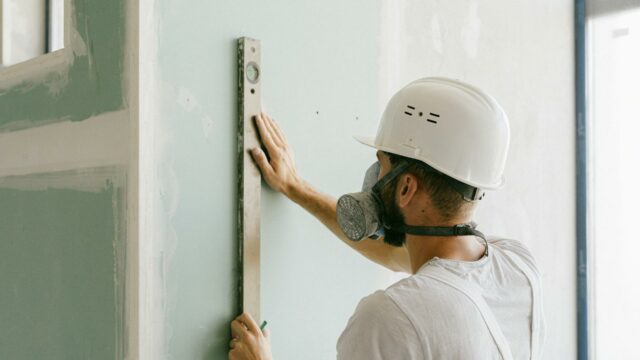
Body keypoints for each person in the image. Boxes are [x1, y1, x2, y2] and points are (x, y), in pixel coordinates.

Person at [229, 77, 544, 360]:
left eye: (381, 164)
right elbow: (396, 256)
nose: (374, 176)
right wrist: (296, 188)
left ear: (406, 186)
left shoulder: (389, 319)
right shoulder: (518, 265)